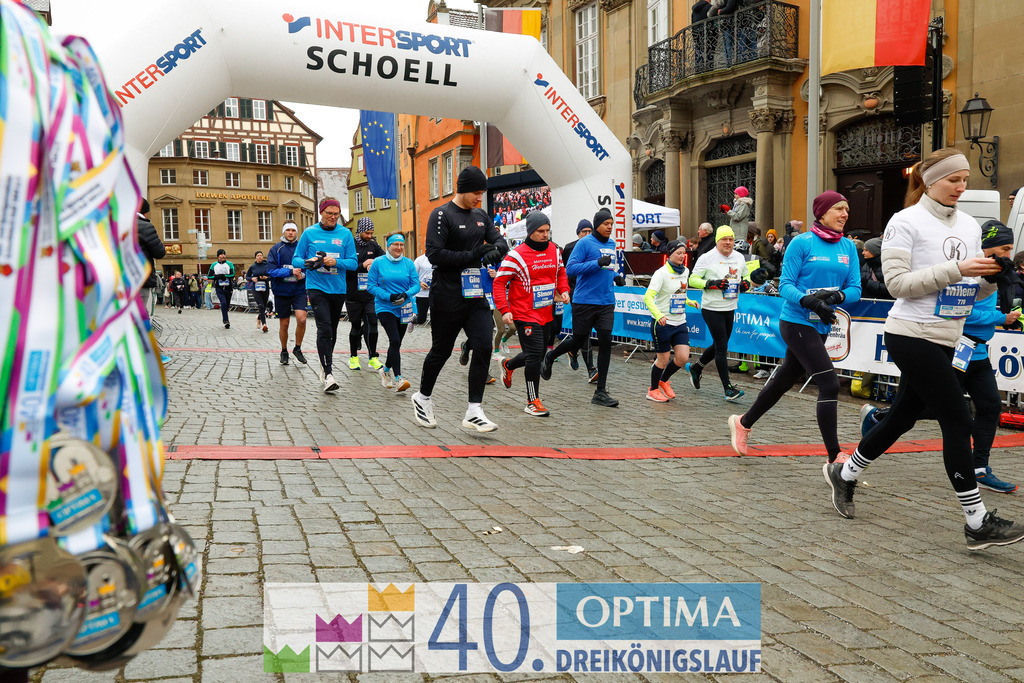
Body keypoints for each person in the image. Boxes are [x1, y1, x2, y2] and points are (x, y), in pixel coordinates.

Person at [823, 148, 1024, 551]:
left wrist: (991, 279)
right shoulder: (905, 221)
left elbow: (967, 290)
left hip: (947, 336)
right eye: (954, 179)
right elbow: (897, 285)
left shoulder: (969, 226)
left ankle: (843, 474)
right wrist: (959, 269)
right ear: (930, 180)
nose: (961, 186)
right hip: (910, 334)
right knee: (958, 419)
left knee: (900, 419)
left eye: (965, 179)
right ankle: (976, 521)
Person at [862, 222, 1021, 493]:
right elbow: (959, 311)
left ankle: (979, 467)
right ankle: (879, 420)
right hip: (954, 348)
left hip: (978, 352)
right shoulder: (968, 269)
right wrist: (1001, 317)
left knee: (990, 406)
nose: (1008, 254)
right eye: (1004, 248)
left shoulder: (998, 273)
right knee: (933, 410)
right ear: (986, 247)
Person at [728, 191, 861, 462]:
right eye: (838, 209)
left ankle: (743, 422)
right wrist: (809, 301)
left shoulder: (848, 247)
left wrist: (836, 298)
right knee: (830, 384)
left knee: (784, 380)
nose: (844, 214)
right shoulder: (802, 243)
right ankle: (834, 456)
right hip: (796, 320)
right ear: (822, 213)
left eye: (847, 209)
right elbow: (785, 285)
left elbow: (856, 287)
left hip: (822, 323)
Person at [411, 165, 508, 432]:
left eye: (482, 193)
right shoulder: (441, 215)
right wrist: (476, 254)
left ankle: (474, 410)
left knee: (484, 345)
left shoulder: (480, 215)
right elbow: (435, 255)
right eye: (476, 193)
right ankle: (422, 397)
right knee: (441, 351)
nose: (480, 198)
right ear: (462, 189)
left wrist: (494, 252)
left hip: (475, 293)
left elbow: (501, 242)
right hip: (447, 293)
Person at [540, 207, 624, 407]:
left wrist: (615, 276)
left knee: (605, 343)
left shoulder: (612, 243)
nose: (609, 227)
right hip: (585, 301)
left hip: (606, 302)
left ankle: (600, 392)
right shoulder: (584, 243)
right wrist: (596, 263)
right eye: (606, 224)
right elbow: (571, 269)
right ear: (597, 225)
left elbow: (607, 268)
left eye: (611, 224)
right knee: (578, 340)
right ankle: (551, 356)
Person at [494, 211, 569, 416]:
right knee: (535, 355)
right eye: (540, 231)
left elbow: (560, 272)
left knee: (536, 354)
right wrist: (505, 310)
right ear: (530, 232)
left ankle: (508, 365)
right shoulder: (516, 255)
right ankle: (532, 400)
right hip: (523, 313)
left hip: (546, 311)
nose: (545, 235)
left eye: (547, 230)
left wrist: (564, 290)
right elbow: (499, 283)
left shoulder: (554, 250)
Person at [292, 198, 357, 392]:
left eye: (336, 213)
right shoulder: (309, 233)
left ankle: (324, 362)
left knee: (333, 331)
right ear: (321, 212)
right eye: (329, 213)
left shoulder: (345, 234)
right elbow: (295, 259)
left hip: (337, 288)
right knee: (324, 328)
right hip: (316, 286)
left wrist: (335, 263)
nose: (333, 217)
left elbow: (353, 263)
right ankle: (329, 373)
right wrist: (308, 261)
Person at [687, 225, 751, 401]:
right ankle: (728, 389)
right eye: (724, 239)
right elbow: (692, 279)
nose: (728, 243)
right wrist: (712, 283)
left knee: (718, 345)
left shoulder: (739, 257)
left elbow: (746, 277)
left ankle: (696, 368)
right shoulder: (707, 257)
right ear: (717, 241)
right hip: (712, 307)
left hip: (730, 307)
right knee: (722, 346)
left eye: (730, 239)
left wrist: (746, 284)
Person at [367, 233, 420, 393]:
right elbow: (371, 286)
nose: (398, 247)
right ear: (388, 246)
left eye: (401, 245)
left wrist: (405, 294)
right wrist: (388, 296)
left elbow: (416, 284)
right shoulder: (378, 263)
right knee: (395, 340)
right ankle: (398, 378)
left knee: (396, 344)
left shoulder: (408, 263)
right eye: (395, 244)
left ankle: (385, 370)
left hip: (404, 307)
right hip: (385, 307)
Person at [643, 240, 691, 402]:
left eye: (683, 253)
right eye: (678, 253)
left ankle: (663, 381)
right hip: (663, 323)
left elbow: (679, 293)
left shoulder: (685, 271)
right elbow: (648, 297)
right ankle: (653, 390)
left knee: (683, 357)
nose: (682, 256)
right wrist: (658, 315)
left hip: (680, 322)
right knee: (662, 359)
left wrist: (689, 301)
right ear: (669, 254)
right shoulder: (661, 273)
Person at [346, 217, 386, 371]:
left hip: (370, 294)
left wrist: (374, 264)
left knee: (373, 324)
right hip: (353, 294)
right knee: (355, 326)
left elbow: (384, 260)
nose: (370, 236)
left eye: (371, 233)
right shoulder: (350, 246)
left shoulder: (373, 245)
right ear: (360, 231)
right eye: (367, 233)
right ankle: (353, 356)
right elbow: (347, 268)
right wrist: (362, 265)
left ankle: (373, 357)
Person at [267, 221, 308, 366]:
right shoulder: (276, 249)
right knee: (284, 324)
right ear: (284, 232)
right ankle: (284, 351)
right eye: (288, 230)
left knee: (302, 319)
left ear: (297, 232)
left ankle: (297, 348)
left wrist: (302, 275)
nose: (291, 233)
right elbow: (271, 270)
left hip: (299, 290)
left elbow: (309, 267)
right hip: (282, 291)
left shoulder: (302, 248)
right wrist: (290, 271)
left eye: (293, 230)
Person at [561, 219, 597, 379]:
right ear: (578, 233)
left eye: (590, 231)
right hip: (577, 294)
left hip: (592, 293)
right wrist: (566, 290)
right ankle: (591, 369)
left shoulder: (595, 246)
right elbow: (563, 271)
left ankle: (572, 351)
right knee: (584, 333)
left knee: (583, 333)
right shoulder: (569, 248)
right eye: (584, 232)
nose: (587, 234)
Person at [136, 199, 165, 316]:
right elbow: (160, 253)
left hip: (117, 279)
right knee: (140, 314)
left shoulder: (115, 223)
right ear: (145, 212)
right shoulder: (145, 227)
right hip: (140, 278)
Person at [208, 249, 236, 328]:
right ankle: (226, 320)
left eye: (224, 254)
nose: (223, 256)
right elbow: (209, 276)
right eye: (221, 254)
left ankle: (225, 314)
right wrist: (217, 277)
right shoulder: (214, 265)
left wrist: (225, 276)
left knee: (226, 305)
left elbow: (232, 274)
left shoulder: (229, 264)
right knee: (223, 303)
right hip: (219, 287)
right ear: (218, 256)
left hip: (228, 287)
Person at [246, 250, 272, 332]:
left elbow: (271, 276)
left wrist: (267, 278)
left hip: (265, 287)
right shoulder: (253, 266)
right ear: (255, 257)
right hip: (256, 288)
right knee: (260, 305)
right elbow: (247, 277)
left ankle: (258, 318)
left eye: (261, 255)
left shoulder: (267, 265)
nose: (260, 257)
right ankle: (264, 324)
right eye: (258, 255)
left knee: (263, 306)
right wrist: (252, 279)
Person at [413, 251, 434, 326]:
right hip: (422, 294)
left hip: (436, 293)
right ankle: (411, 320)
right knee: (421, 319)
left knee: (437, 319)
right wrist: (420, 283)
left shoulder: (439, 259)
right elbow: (412, 276)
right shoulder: (419, 260)